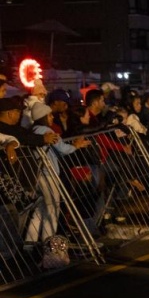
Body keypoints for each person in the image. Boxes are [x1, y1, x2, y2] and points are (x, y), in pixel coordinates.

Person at [24, 102, 92, 250]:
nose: (51, 118)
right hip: (49, 175)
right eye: (49, 115)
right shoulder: (47, 131)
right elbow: (63, 148)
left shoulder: (33, 130)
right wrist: (76, 145)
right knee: (52, 210)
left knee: (39, 211)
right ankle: (49, 246)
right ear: (43, 116)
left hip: (37, 176)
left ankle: (29, 245)